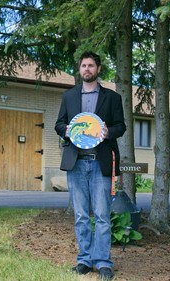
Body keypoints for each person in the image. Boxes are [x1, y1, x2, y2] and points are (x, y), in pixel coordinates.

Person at [55, 51, 126, 280]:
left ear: (98, 69)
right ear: (79, 69)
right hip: (76, 163)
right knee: (81, 216)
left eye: (91, 65)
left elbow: (120, 127)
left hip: (100, 163)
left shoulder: (112, 98)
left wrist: (107, 133)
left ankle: (103, 262)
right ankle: (84, 260)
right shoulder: (69, 97)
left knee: (103, 215)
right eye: (83, 65)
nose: (87, 69)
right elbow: (59, 124)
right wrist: (65, 130)